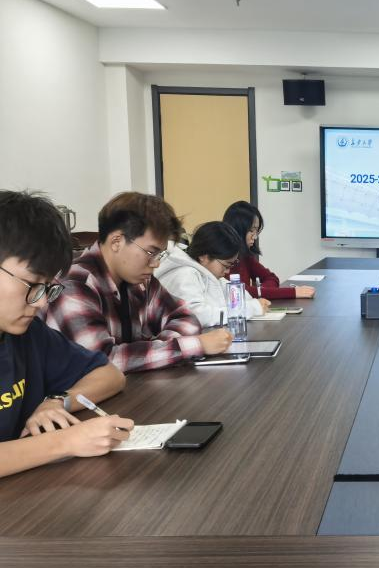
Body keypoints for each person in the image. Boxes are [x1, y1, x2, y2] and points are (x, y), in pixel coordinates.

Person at [0, 190, 131, 478]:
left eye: (47, 287)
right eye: (32, 284)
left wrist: (58, 401)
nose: (41, 303)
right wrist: (65, 442)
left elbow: (110, 375)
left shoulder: (28, 334)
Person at [45, 193, 233, 373]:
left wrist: (156, 352)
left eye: (160, 254)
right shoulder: (75, 285)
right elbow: (103, 362)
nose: (156, 263)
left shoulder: (140, 280)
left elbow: (186, 318)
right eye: (151, 252)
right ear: (117, 241)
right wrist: (193, 345)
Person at [156, 221, 270, 328]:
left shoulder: (210, 274)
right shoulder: (184, 275)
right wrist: (249, 309)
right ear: (203, 256)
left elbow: (245, 299)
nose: (228, 271)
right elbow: (197, 316)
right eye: (226, 265)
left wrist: (254, 305)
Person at [223, 201, 315, 300]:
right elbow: (241, 292)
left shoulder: (245, 256)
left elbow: (272, 278)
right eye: (251, 230)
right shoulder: (223, 258)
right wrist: (293, 292)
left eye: (256, 231)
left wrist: (262, 292)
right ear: (238, 229)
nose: (255, 237)